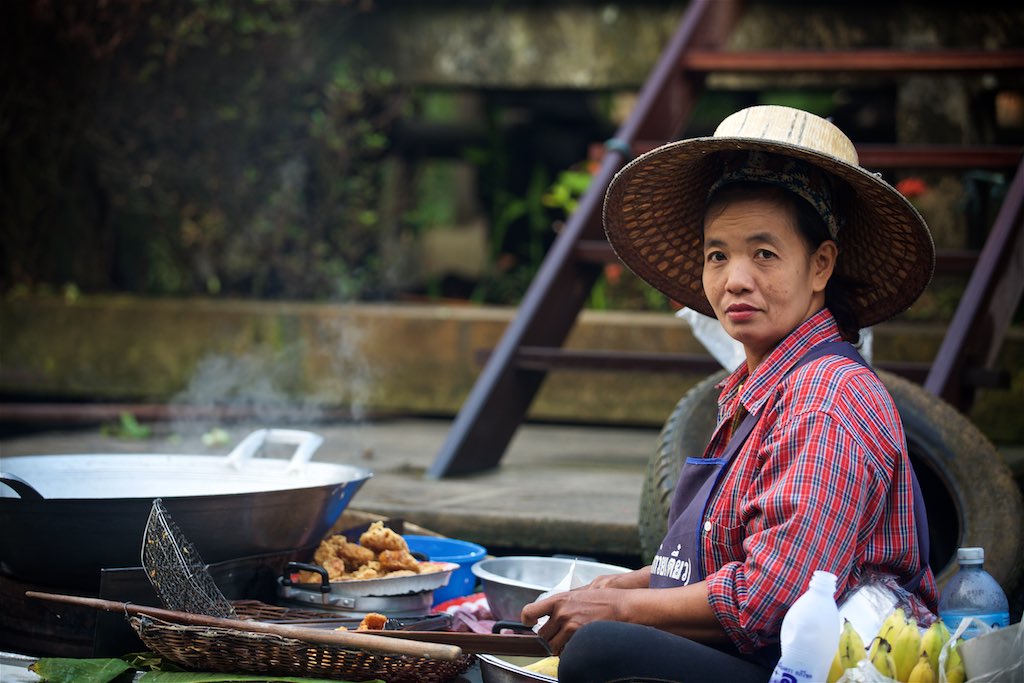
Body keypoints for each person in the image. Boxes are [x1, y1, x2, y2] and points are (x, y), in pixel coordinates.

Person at [520, 105, 939, 682]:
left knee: (602, 651)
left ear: (821, 265)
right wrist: (627, 585)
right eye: (718, 255)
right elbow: (727, 559)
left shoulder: (827, 398)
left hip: (831, 667)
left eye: (763, 254)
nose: (734, 279)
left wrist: (617, 609)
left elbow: (775, 597)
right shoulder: (754, 390)